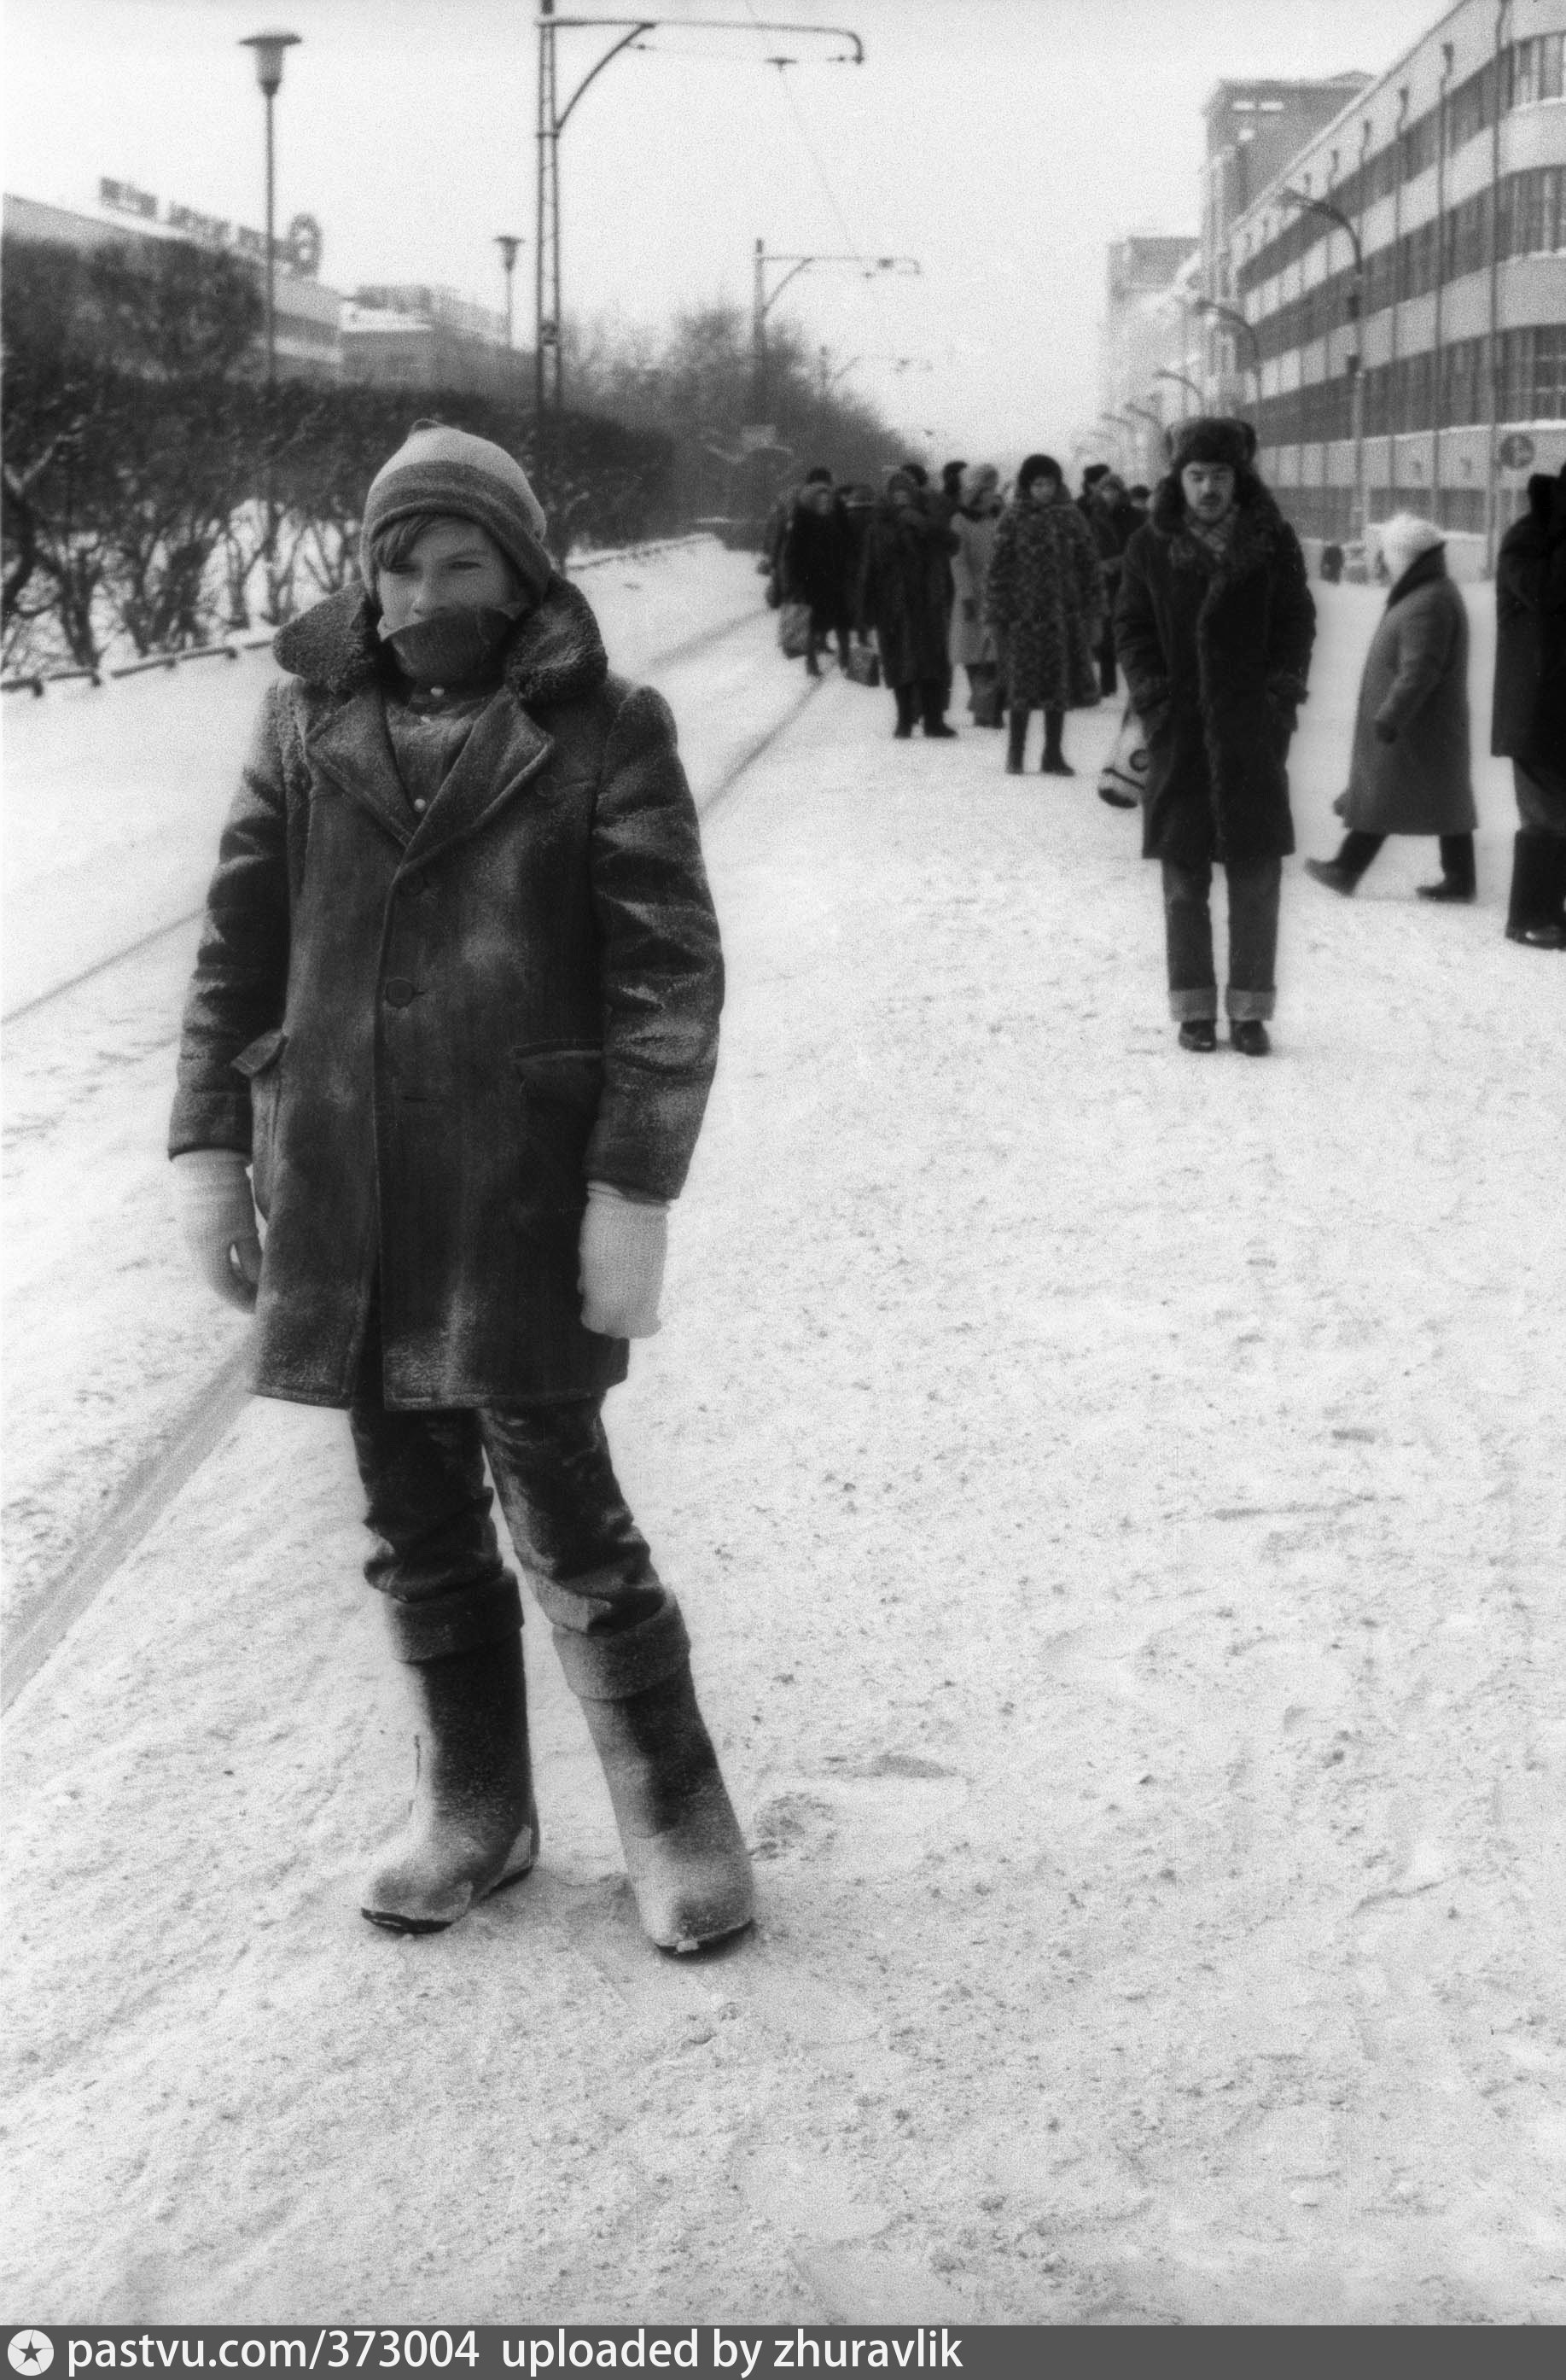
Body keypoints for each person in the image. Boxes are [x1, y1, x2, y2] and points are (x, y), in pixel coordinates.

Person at [168, 423, 754, 1953]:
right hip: (349, 1191)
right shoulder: (303, 721)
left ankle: (675, 1816)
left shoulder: (607, 729)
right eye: (402, 561)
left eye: (462, 560)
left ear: (520, 568)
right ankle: (475, 1805)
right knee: (412, 1515)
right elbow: (237, 947)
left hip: (516, 1195)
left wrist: (631, 1188)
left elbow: (667, 978)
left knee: (570, 1519)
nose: (429, 589)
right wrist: (208, 1154)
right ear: (369, 577)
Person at [1115, 416, 1316, 1055]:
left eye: (1219, 475)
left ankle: (1251, 1010)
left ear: (1239, 477)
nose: (1207, 488)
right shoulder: (1149, 544)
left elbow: (1295, 621)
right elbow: (1131, 627)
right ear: (1178, 477)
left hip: (1250, 732)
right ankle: (1194, 1010)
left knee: (1256, 878)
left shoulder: (1271, 539)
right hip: (1181, 732)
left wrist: (1279, 699)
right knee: (1183, 883)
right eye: (1196, 475)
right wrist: (1153, 701)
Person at [1304, 516, 1477, 905]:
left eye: (1388, 555)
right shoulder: (1430, 592)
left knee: (1384, 793)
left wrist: (1390, 714)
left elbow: (1419, 670)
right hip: (1424, 725)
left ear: (1406, 557)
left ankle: (1346, 868)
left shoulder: (1427, 600)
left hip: (1412, 724)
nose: (1383, 562)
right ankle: (1460, 879)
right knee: (1443, 799)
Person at [984, 452, 1103, 776]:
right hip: (1023, 616)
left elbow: (1089, 566)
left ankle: (1053, 753)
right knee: (1021, 687)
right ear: (1027, 485)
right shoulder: (1012, 518)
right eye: (1037, 484)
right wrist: (996, 612)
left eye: (1049, 483)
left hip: (1063, 615)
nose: (1044, 490)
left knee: (1058, 685)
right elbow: (998, 569)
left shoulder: (1072, 518)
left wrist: (1094, 610)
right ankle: (1015, 753)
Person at [1492, 464, 1566, 949]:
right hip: (1536, 705)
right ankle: (1529, 918)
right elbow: (1546, 591)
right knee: (1544, 816)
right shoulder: (1530, 536)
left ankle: (1548, 913)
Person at [857, 467, 960, 738]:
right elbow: (868, 569)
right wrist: (866, 612)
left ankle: (933, 721)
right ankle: (904, 721)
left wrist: (925, 525)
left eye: (906, 493)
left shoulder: (927, 521)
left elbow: (952, 545)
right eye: (896, 493)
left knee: (933, 665)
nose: (901, 498)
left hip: (928, 603)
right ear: (888, 496)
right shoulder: (877, 528)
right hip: (893, 606)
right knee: (899, 665)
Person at [780, 473, 855, 677]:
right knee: (812, 624)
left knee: (842, 621)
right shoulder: (803, 520)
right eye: (820, 501)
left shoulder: (836, 516)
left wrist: (848, 569)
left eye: (827, 501)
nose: (824, 503)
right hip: (811, 580)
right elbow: (792, 553)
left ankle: (846, 659)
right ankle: (811, 661)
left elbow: (848, 545)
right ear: (813, 501)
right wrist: (796, 581)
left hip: (836, 578)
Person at [948, 463, 1005, 724]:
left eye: (994, 488)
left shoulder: (998, 518)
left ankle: (990, 707)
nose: (992, 493)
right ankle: (984, 706)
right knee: (974, 654)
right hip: (972, 594)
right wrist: (966, 595)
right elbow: (957, 560)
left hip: (998, 592)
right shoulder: (960, 521)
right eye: (987, 488)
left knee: (996, 653)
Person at [1085, 470, 1140, 697]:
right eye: (1106, 489)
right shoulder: (1091, 516)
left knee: (1127, 631)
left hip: (1127, 580)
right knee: (1104, 635)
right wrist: (1096, 565)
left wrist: (1115, 563)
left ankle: (1134, 680)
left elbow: (1138, 547)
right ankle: (1108, 685)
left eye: (1114, 489)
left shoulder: (1133, 516)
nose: (1110, 495)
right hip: (1099, 581)